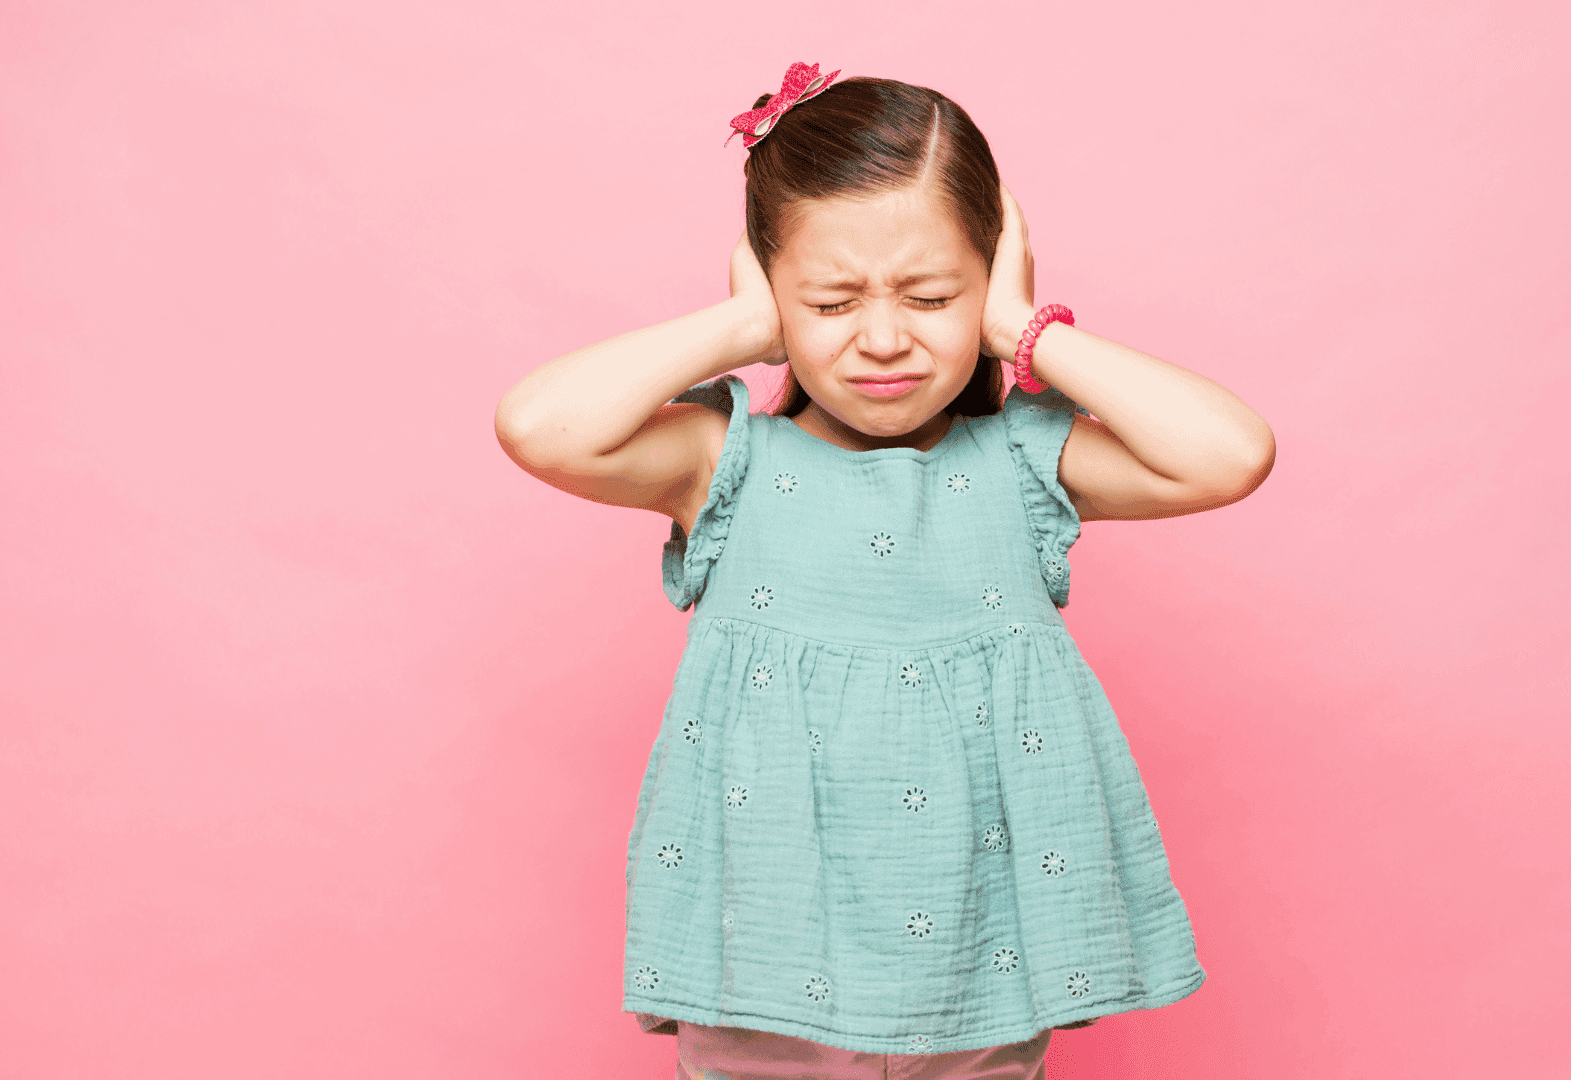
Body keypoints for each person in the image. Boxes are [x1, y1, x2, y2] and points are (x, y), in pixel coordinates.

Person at [494, 62, 1275, 1080]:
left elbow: (1231, 453)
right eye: (829, 301)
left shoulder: (1018, 464)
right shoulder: (725, 464)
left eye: (933, 294)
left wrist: (1021, 330)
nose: (884, 338)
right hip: (764, 976)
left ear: (988, 276)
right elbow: (538, 426)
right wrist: (740, 328)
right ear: (776, 293)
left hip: (980, 976)